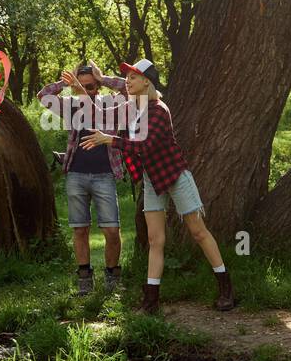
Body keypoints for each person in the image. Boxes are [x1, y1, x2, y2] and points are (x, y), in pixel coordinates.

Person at [80, 59, 235, 313]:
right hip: (153, 178)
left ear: (147, 82)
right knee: (155, 240)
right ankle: (151, 300)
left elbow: (144, 146)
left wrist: (110, 140)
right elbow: (121, 86)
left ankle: (225, 287)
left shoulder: (159, 110)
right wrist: (101, 77)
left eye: (133, 77)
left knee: (198, 232)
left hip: (175, 175)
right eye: (128, 77)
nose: (128, 81)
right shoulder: (135, 105)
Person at [38, 61, 127, 294]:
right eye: (81, 86)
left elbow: (130, 89)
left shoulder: (111, 105)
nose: (85, 90)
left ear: (98, 87)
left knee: (111, 231)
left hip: (105, 175)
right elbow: (43, 95)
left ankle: (112, 279)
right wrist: (65, 81)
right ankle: (84, 281)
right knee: (80, 229)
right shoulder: (70, 106)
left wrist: (104, 77)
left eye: (90, 86)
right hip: (76, 174)